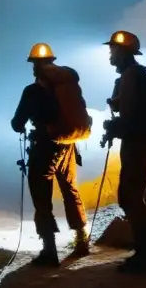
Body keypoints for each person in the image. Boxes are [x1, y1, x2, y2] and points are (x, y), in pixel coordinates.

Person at [11, 43, 90, 267]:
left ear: (34, 67)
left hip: (44, 147)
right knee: (70, 190)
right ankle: (81, 240)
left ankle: (50, 249)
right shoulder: (66, 85)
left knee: (41, 197)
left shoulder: (32, 91)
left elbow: (17, 124)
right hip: (68, 146)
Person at [103, 30, 146, 273]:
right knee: (141, 195)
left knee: (130, 197)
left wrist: (113, 126)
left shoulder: (132, 76)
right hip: (142, 142)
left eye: (113, 49)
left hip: (137, 143)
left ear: (123, 52)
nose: (110, 53)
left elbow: (133, 118)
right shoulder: (137, 75)